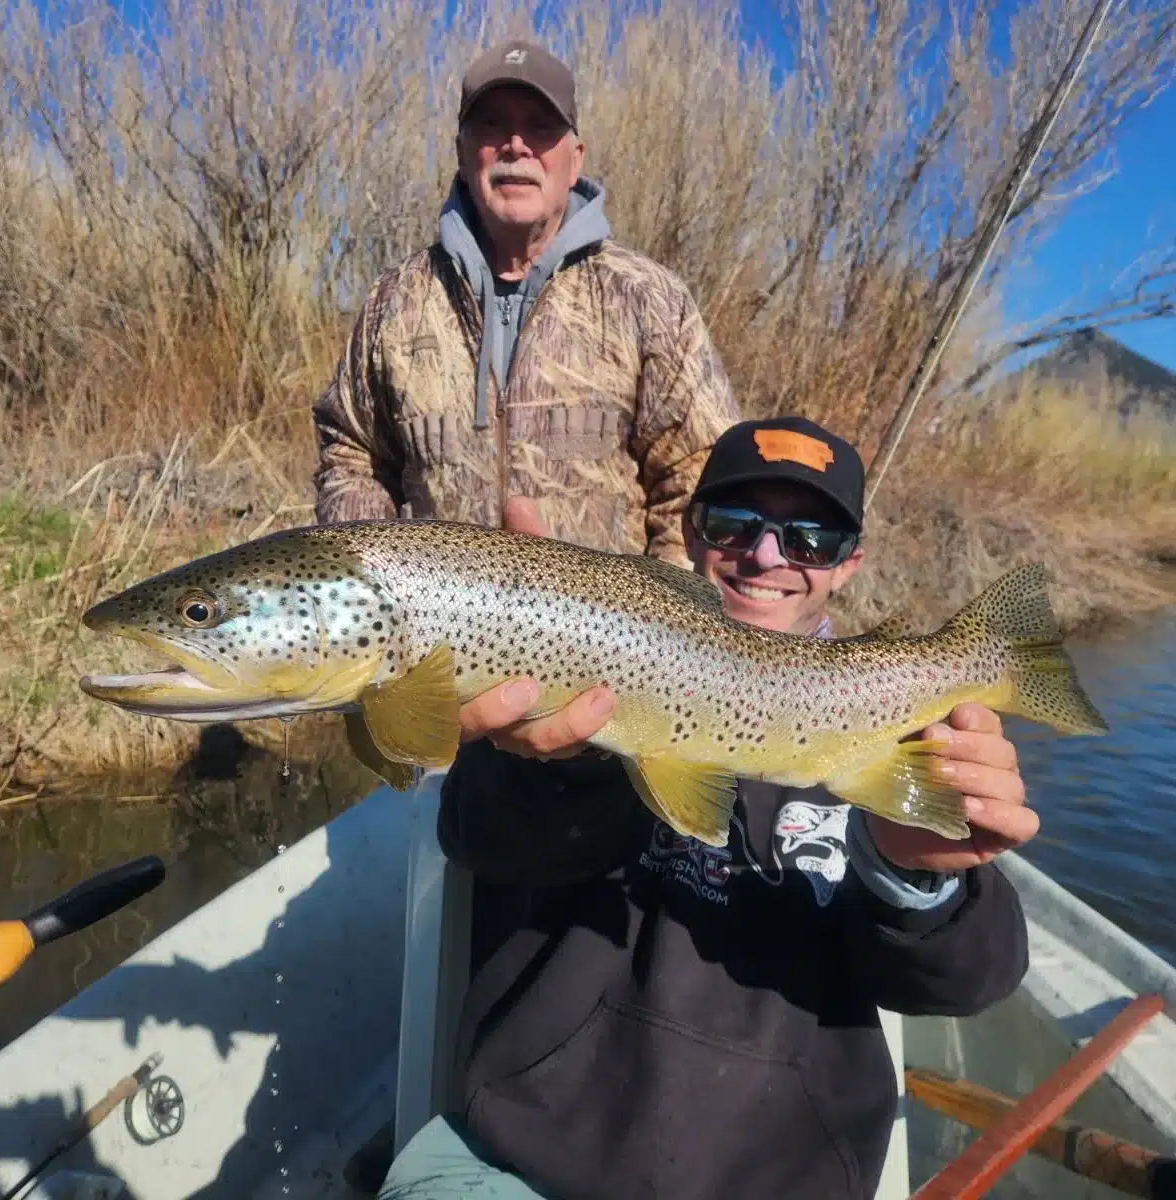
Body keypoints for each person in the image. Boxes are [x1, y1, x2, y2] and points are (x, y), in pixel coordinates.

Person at [376, 416, 1039, 1199]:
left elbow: (965, 985)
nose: (765, 556)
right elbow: (485, 841)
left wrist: (917, 873)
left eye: (810, 540)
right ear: (691, 533)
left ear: (849, 564)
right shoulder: (571, 663)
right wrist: (561, 759)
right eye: (735, 524)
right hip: (521, 1164)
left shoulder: (896, 728)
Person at [312, 37, 741, 569]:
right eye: (492, 124)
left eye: (540, 126)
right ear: (463, 153)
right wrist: (377, 580)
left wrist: (660, 624)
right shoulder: (396, 301)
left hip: (610, 645)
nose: (516, 144)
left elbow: (699, 476)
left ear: (574, 158)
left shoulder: (649, 298)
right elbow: (353, 455)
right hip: (436, 641)